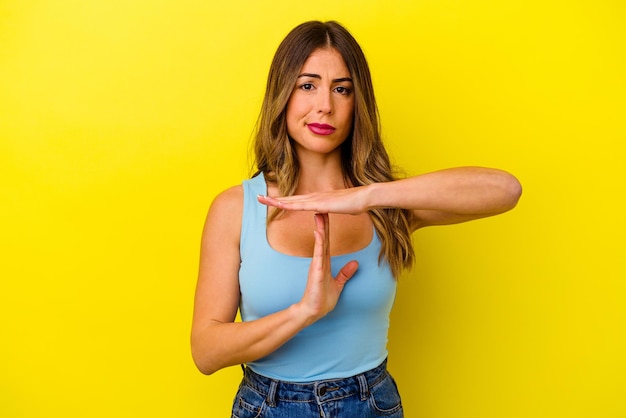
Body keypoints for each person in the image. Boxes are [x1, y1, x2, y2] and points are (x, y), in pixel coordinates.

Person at [191, 20, 522, 417]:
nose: (325, 106)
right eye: (307, 85)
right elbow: (206, 352)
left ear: (356, 102)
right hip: (270, 406)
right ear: (283, 94)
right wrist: (305, 311)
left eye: (342, 89)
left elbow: (505, 190)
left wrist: (368, 194)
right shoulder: (236, 208)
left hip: (371, 404)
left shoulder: (384, 204)